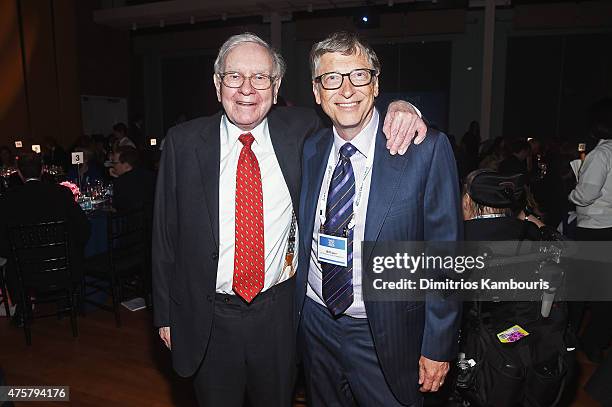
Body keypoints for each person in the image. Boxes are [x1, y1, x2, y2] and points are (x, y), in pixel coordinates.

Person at [152, 32, 427, 407]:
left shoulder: (302, 133)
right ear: (217, 84)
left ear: (276, 86)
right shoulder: (182, 144)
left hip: (279, 314)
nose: (247, 89)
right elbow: (164, 236)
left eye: (260, 77)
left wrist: (404, 107)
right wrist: (166, 314)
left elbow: (351, 105)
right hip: (208, 314)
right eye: (234, 76)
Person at [296, 32, 462, 407]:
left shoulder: (425, 150)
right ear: (317, 91)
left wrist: (439, 345)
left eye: (358, 75)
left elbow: (446, 256)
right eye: (331, 79)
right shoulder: (310, 148)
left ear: (375, 85)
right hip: (316, 324)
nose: (346, 89)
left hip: (387, 332)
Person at [0, 152, 90, 327]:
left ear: (18, 173)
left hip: (24, 271)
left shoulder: (8, 200)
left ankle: (24, 308)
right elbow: (83, 228)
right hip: (61, 265)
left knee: (10, 261)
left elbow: (2, 241)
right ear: (42, 170)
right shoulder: (61, 193)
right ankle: (67, 301)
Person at [568, 98, 612, 363]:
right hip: (609, 227)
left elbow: (586, 194)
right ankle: (597, 340)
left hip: (594, 227)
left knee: (579, 289)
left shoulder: (601, 153)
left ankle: (573, 340)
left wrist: (572, 193)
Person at [109, 146, 154, 213]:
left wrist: (117, 179)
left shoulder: (120, 183)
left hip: (131, 221)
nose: (113, 166)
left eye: (115, 163)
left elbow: (116, 207)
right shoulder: (150, 175)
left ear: (126, 165)